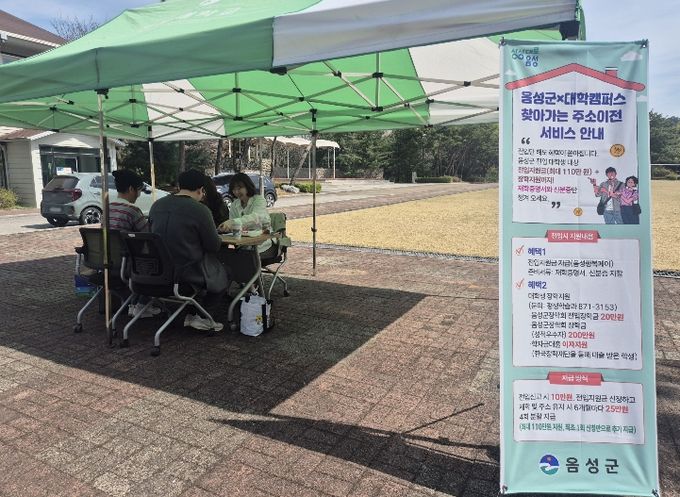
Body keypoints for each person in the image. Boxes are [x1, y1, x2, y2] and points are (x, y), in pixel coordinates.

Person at [149, 169, 228, 331]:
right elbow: (213, 246)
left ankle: (193, 311)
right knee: (225, 271)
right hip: (186, 273)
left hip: (156, 271)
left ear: (179, 186)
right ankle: (202, 316)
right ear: (201, 189)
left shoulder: (157, 205)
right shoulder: (200, 210)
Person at [109, 169, 161, 318]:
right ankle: (141, 304)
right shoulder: (132, 210)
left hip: (107, 262)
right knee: (156, 261)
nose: (139, 195)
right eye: (138, 190)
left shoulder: (107, 208)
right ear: (131, 189)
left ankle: (134, 303)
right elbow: (149, 237)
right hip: (127, 264)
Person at [218, 173, 272, 253]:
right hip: (243, 245)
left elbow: (256, 218)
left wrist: (233, 222)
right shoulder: (234, 205)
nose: (236, 192)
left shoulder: (259, 200)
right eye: (234, 189)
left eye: (239, 188)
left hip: (262, 243)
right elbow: (234, 229)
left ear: (247, 186)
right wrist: (226, 228)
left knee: (243, 256)